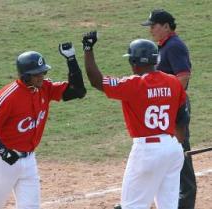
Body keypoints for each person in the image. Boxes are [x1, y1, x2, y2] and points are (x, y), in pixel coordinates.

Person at [0, 42, 86, 209]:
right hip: (3, 162)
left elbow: (78, 91)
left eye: (43, 72)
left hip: (29, 160)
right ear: (25, 75)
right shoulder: (8, 96)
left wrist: (71, 59)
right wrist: (4, 152)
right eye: (36, 74)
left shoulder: (45, 88)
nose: (41, 77)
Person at [82, 31, 188, 209]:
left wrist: (88, 49)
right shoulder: (174, 82)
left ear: (134, 62)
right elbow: (182, 117)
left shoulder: (133, 84)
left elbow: (96, 81)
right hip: (172, 148)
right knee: (168, 206)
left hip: (147, 152)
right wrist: (176, 146)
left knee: (132, 205)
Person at [141, 9, 196, 209]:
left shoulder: (174, 46)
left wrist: (169, 101)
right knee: (168, 154)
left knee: (181, 158)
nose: (151, 31)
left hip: (176, 109)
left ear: (166, 26)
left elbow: (183, 76)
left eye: (153, 26)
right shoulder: (164, 46)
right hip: (167, 108)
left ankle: (185, 205)